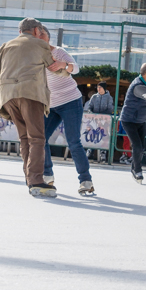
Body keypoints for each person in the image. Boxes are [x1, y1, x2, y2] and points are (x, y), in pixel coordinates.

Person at [0, 17, 55, 197]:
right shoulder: (40, 44)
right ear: (36, 31)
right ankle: (36, 179)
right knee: (37, 138)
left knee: (25, 137)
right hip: (30, 94)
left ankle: (29, 178)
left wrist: (7, 87)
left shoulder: (5, 46)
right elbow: (54, 67)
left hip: (8, 96)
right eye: (40, 32)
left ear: (20, 31)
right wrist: (68, 67)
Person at [38, 26, 95, 196]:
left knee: (73, 141)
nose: (39, 37)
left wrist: (64, 64)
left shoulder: (59, 52)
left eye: (42, 34)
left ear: (48, 37)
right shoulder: (35, 56)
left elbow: (76, 69)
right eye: (36, 34)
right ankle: (47, 175)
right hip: (51, 104)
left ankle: (86, 181)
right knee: (40, 138)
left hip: (70, 101)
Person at [120, 65, 146, 184]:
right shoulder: (138, 86)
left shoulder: (144, 84)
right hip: (129, 120)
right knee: (137, 145)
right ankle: (138, 171)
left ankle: (134, 169)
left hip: (140, 120)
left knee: (141, 147)